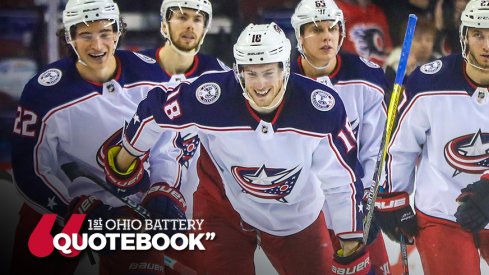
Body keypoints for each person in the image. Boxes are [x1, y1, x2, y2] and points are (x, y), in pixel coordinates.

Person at [104, 22, 372, 274]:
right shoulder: (212, 96)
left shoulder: (320, 108)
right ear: (238, 71)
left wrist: (350, 240)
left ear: (285, 70)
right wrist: (126, 158)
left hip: (296, 214)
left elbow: (341, 180)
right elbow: (154, 112)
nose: (259, 85)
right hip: (223, 208)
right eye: (250, 73)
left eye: (268, 72)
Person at [10, 0, 182, 274]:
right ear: (70, 38)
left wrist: (164, 190)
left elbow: (169, 146)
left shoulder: (155, 77)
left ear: (118, 32)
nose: (97, 45)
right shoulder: (44, 92)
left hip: (130, 207)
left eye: (105, 33)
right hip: (59, 205)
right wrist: (74, 209)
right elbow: (30, 170)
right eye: (85, 35)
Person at [374, 1, 489, 274]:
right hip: (441, 213)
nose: (487, 45)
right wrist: (392, 197)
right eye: (479, 35)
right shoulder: (429, 83)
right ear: (464, 37)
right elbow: (400, 145)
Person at [290, 0, 391, 274]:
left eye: (333, 28)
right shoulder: (279, 81)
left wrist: (369, 196)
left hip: (354, 199)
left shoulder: (367, 77)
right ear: (299, 36)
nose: (327, 36)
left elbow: (376, 149)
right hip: (303, 210)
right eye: (316, 29)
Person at [140, 0, 229, 220]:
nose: (190, 26)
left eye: (197, 19)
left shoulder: (221, 75)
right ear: (164, 25)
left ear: (205, 28)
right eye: (182, 17)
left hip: (201, 211)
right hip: (138, 205)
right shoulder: (135, 72)